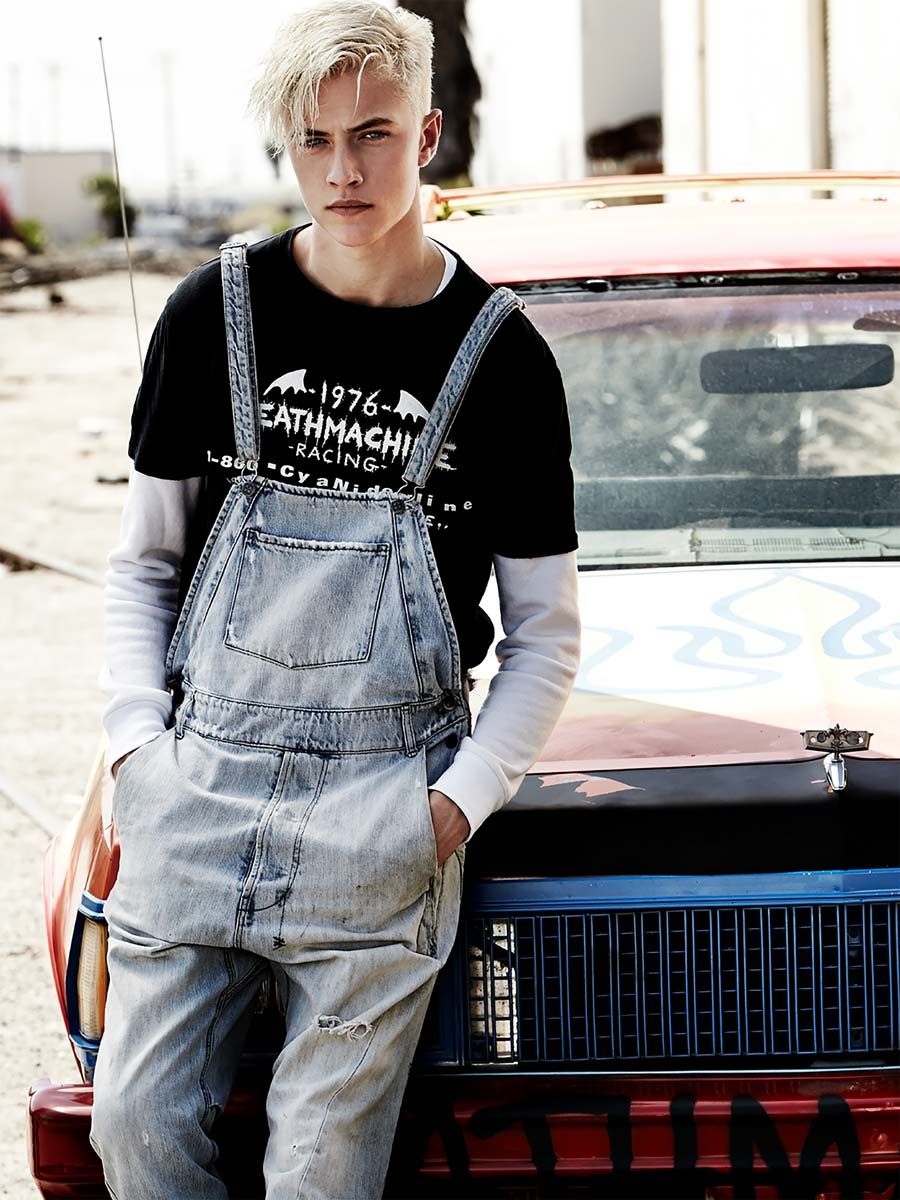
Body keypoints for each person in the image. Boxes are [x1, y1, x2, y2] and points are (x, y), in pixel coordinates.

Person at [88, 3, 581, 1196]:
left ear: (429, 135)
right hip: (200, 784)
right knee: (135, 1133)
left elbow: (547, 634)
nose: (342, 171)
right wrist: (137, 750)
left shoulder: (504, 359)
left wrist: (454, 805)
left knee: (323, 1174)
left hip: (384, 802)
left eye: (372, 135)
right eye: (313, 140)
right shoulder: (211, 314)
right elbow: (145, 564)